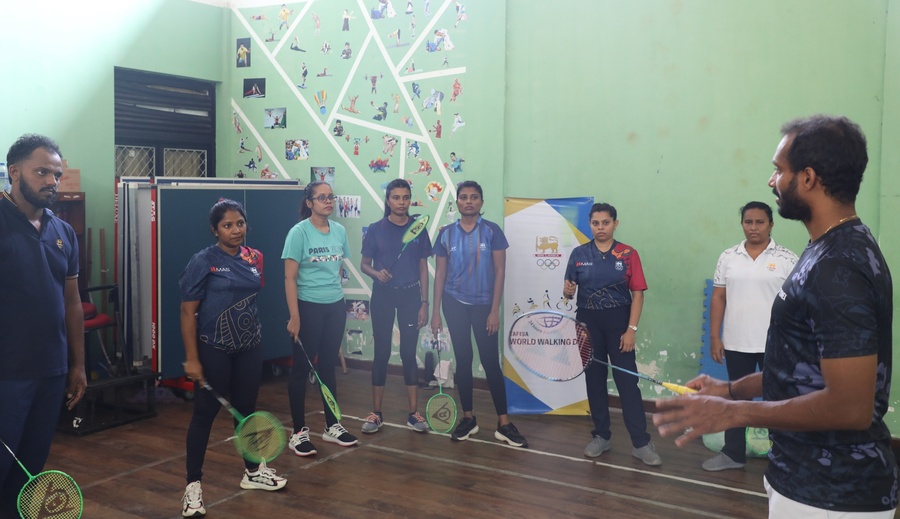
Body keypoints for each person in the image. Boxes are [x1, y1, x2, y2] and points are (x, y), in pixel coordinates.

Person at [654, 115, 897, 517]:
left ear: (808, 178)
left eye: (779, 170)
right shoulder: (827, 248)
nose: (772, 181)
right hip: (801, 479)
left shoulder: (839, 265)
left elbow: (850, 407)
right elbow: (803, 369)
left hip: (832, 495)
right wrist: (730, 389)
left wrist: (733, 413)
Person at [179, 199, 286, 516]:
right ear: (215, 230)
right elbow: (187, 312)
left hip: (249, 347)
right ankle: (193, 487)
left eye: (240, 223)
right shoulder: (203, 261)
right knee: (204, 415)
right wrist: (192, 358)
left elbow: (251, 297)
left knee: (247, 411)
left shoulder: (255, 257)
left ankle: (253, 473)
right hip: (214, 347)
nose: (236, 230)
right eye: (227, 225)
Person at [0, 134, 87, 518]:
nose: (52, 181)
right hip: (7, 373)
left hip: (51, 372)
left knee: (29, 470)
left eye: (56, 174)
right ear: (14, 172)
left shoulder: (63, 231)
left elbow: (72, 303)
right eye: (42, 173)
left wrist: (78, 365)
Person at [562, 202, 661, 466]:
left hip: (619, 323)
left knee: (627, 383)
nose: (600, 228)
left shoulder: (628, 254)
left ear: (615, 224)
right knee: (594, 380)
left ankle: (640, 443)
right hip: (587, 323)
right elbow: (568, 290)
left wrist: (631, 330)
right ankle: (601, 436)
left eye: (605, 223)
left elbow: (638, 294)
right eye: (595, 223)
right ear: (590, 225)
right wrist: (568, 291)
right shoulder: (579, 254)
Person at [431, 180, 528, 447]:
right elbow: (440, 274)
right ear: (457, 202)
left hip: (485, 306)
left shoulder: (492, 231)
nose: (469, 201)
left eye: (474, 197)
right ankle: (468, 419)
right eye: (464, 197)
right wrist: (435, 312)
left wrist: (494, 310)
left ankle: (504, 424)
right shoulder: (446, 234)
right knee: (463, 360)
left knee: (490, 362)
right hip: (454, 303)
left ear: (481, 202)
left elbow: (500, 271)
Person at [702, 201, 798, 472]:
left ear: (771, 225)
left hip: (776, 345)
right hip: (736, 343)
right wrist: (715, 337)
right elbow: (718, 298)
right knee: (736, 399)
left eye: (759, 222)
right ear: (742, 224)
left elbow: (798, 303)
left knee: (778, 401)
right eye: (748, 222)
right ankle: (733, 454)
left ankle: (784, 457)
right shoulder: (728, 257)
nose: (753, 227)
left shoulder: (788, 259)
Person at [283, 181, 358, 457]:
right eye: (322, 197)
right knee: (301, 370)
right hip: (308, 308)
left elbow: (336, 270)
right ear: (309, 203)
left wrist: (334, 299)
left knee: (327, 366)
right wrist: (295, 316)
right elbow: (289, 278)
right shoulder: (298, 233)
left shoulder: (339, 231)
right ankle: (298, 433)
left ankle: (332, 425)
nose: (328, 201)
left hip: (335, 307)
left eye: (331, 197)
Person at [359, 179, 432, 434]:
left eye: (405, 197)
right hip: (383, 295)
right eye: (396, 197)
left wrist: (424, 302)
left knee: (408, 353)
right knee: (381, 353)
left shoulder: (418, 229)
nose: (401, 202)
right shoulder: (376, 229)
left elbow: (423, 267)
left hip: (411, 296)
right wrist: (376, 273)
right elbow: (364, 264)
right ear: (388, 200)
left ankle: (413, 413)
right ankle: (376, 413)